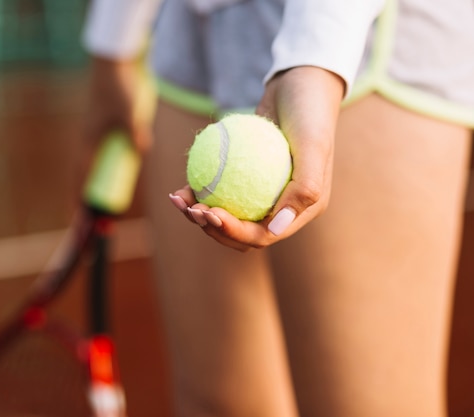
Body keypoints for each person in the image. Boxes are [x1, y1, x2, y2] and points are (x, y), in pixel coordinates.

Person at [82, 0, 474, 416]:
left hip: (355, 29)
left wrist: (317, 55)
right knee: (216, 404)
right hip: (195, 23)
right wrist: (114, 41)